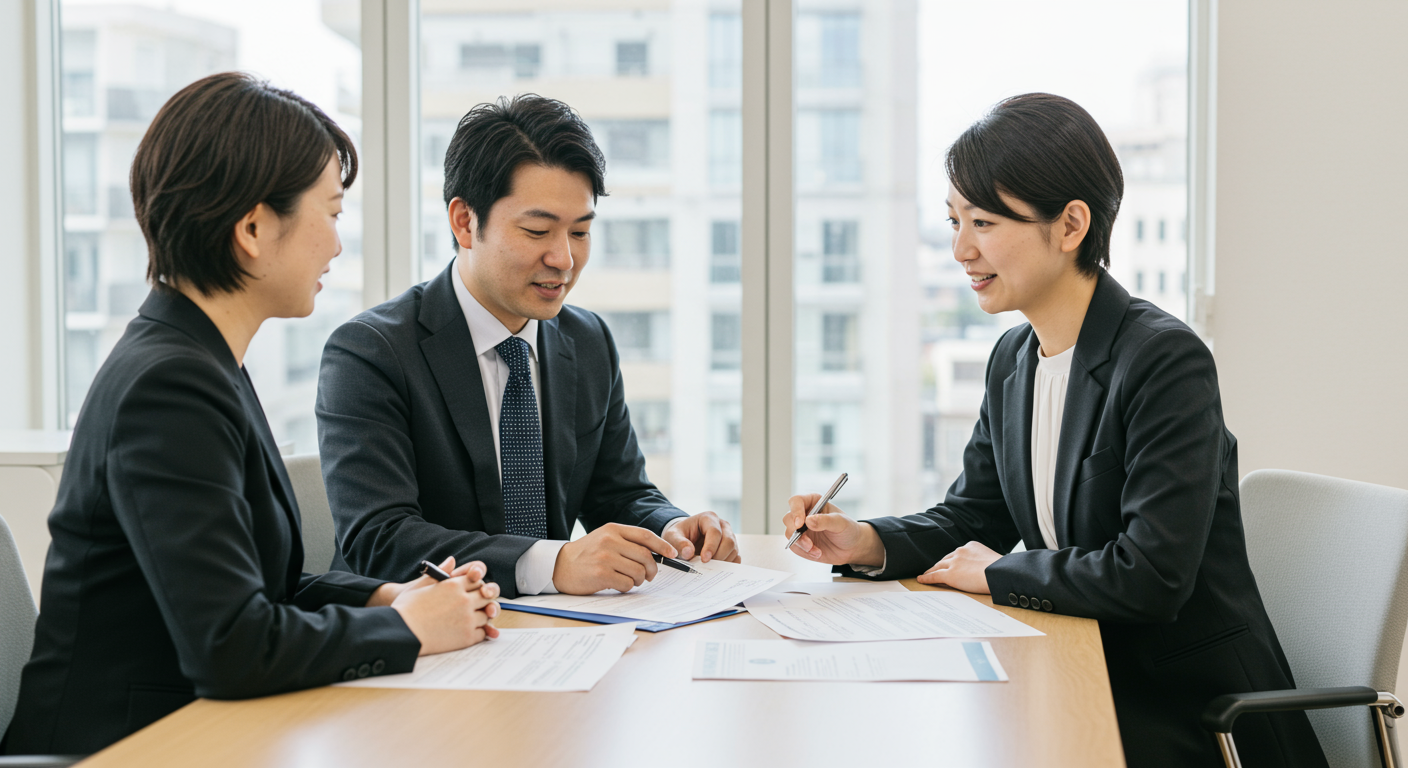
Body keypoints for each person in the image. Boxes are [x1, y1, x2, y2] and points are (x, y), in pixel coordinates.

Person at [782, 93, 1327, 768]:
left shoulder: (1163, 360)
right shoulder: (1014, 359)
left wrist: (1000, 572)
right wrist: (865, 541)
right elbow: (973, 514)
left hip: (1188, 711)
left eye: (982, 221)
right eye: (954, 221)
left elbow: (1151, 575)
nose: (960, 249)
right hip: (1078, 671)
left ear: (1071, 225)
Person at [1, 73, 500, 756]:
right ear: (254, 228)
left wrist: (394, 598)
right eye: (329, 214)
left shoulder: (202, 359)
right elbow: (231, 647)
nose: (336, 245)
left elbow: (269, 587)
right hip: (121, 750)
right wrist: (412, 630)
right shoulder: (168, 385)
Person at [316, 94, 738, 600]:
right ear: (464, 221)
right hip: (425, 643)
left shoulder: (588, 341)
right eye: (537, 230)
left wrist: (671, 528)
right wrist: (552, 564)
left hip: (562, 639)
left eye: (580, 232)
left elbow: (620, 493)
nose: (563, 258)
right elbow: (379, 539)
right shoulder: (371, 352)